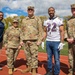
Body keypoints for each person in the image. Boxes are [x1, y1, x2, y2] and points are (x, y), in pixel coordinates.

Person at [20, 6, 43, 75]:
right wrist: (21, 40)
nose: (30, 11)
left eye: (31, 10)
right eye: (29, 10)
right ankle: (29, 67)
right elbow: (22, 31)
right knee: (27, 56)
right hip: (25, 40)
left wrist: (39, 40)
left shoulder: (37, 19)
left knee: (34, 56)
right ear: (27, 11)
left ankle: (34, 70)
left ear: (33, 11)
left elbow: (40, 30)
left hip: (34, 41)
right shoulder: (24, 20)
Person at [43, 7, 64, 75]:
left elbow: (62, 31)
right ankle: (49, 71)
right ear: (48, 12)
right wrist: (43, 41)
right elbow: (45, 32)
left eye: (52, 10)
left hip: (56, 42)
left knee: (57, 59)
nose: (51, 12)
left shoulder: (59, 20)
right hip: (48, 41)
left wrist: (62, 42)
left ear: (54, 11)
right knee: (49, 58)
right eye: (49, 11)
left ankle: (56, 73)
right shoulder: (46, 21)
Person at [65, 4, 75, 75]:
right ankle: (71, 71)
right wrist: (66, 38)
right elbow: (66, 30)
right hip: (70, 43)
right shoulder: (69, 20)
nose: (73, 11)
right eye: (72, 9)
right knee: (71, 58)